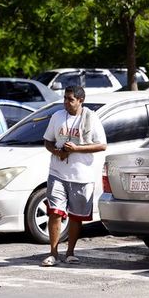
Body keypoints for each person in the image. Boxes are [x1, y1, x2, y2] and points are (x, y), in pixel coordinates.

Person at [41, 85, 107, 266]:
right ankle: (53, 253)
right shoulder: (57, 117)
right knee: (55, 213)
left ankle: (70, 252)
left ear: (80, 100)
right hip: (57, 173)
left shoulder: (90, 118)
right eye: (65, 98)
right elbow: (47, 140)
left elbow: (102, 145)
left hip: (81, 175)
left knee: (76, 216)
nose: (66, 103)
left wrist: (77, 149)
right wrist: (56, 151)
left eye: (70, 99)